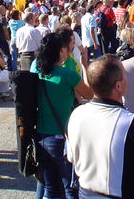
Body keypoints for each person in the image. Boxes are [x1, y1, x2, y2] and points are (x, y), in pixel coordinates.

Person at [67, 54, 134, 199]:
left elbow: (71, 157)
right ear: (118, 86)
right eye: (124, 75)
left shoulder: (76, 115)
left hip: (85, 192)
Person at [31, 32, 92, 199]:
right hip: (62, 137)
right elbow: (90, 94)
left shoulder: (38, 72)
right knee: (69, 186)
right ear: (60, 51)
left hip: (41, 135)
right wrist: (85, 66)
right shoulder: (67, 74)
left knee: (49, 186)